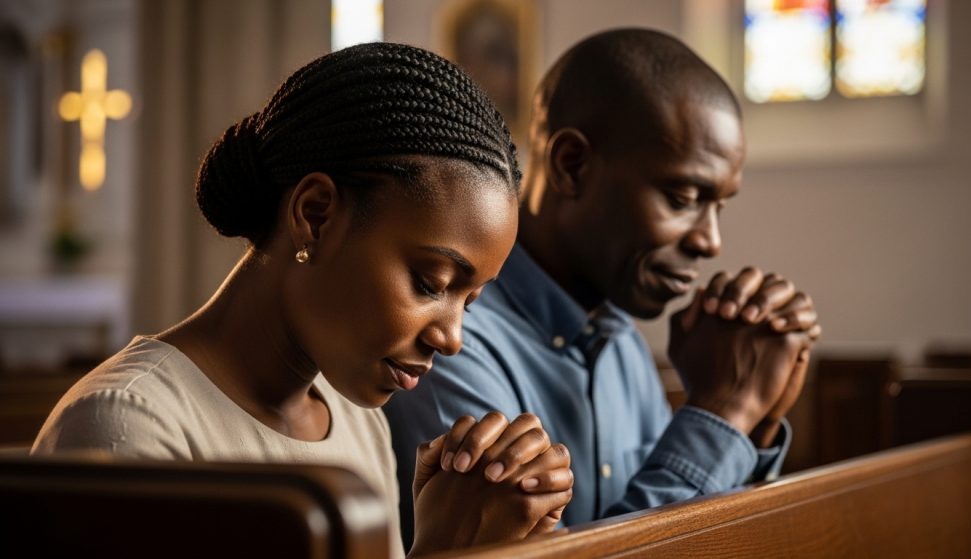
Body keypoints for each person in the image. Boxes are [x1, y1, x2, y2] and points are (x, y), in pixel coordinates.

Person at [32, 42, 573, 557]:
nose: (451, 339)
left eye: (469, 301)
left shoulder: (354, 419)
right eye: (430, 282)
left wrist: (499, 539)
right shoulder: (126, 427)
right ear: (316, 215)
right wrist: (442, 553)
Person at [384, 28, 821, 542]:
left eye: (718, 206)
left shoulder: (621, 343)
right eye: (682, 198)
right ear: (572, 165)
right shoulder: (448, 342)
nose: (710, 242)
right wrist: (724, 411)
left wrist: (755, 421)